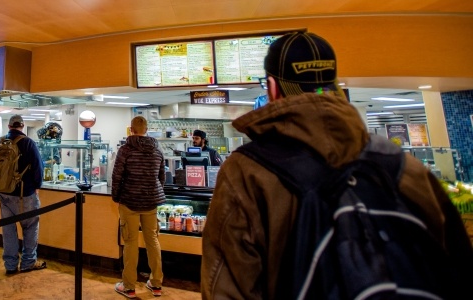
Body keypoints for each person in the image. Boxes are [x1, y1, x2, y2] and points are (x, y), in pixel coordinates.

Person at [201, 32, 473, 299]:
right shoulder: (402, 164)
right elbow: (456, 263)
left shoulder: (246, 171)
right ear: (334, 84)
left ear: (272, 87)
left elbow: (227, 286)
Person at [111, 116, 165, 298]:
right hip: (151, 202)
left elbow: (117, 175)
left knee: (131, 242)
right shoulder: (157, 150)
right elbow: (161, 176)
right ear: (146, 129)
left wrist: (116, 196)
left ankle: (129, 287)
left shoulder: (125, 150)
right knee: (153, 240)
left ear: (131, 130)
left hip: (130, 201)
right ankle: (156, 283)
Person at [0, 115, 46, 275]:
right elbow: (38, 168)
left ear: (9, 126)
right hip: (25, 194)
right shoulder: (28, 143)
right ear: (22, 125)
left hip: (4, 194)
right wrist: (37, 186)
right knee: (30, 227)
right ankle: (28, 262)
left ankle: (10, 265)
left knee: (8, 230)